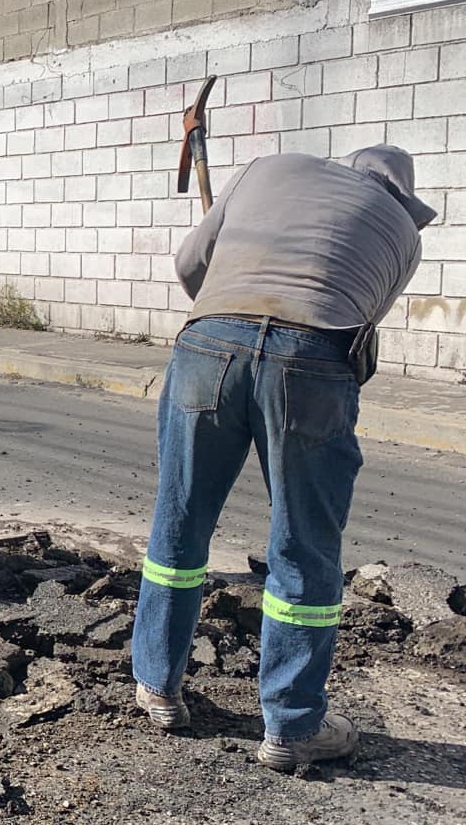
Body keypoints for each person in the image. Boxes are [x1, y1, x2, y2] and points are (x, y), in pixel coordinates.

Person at [131, 146, 436, 771]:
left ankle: (158, 686)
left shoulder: (267, 169)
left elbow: (191, 262)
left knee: (180, 520)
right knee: (303, 544)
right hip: (314, 357)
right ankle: (294, 726)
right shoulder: (403, 232)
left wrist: (224, 320)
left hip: (208, 342)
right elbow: (360, 329)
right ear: (402, 195)